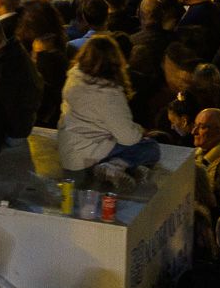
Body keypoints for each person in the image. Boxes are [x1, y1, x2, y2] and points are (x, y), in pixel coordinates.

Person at [55, 35, 159, 189]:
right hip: (91, 156)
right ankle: (114, 166)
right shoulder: (109, 93)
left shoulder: (73, 78)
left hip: (70, 153)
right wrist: (140, 130)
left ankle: (120, 167)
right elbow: (128, 138)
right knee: (150, 147)